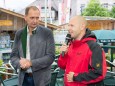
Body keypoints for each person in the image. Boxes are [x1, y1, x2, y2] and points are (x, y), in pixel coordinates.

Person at [10, 6, 55, 86]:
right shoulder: (19, 34)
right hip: (23, 79)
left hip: (41, 80)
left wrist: (31, 63)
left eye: (37, 18)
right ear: (25, 17)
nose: (35, 21)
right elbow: (13, 56)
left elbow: (50, 57)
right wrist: (20, 62)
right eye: (32, 18)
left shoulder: (47, 33)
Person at [58, 15, 107, 86]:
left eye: (72, 26)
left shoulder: (93, 47)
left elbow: (99, 73)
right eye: (68, 25)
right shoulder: (70, 44)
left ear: (82, 26)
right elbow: (62, 66)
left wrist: (76, 77)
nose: (69, 28)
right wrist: (63, 55)